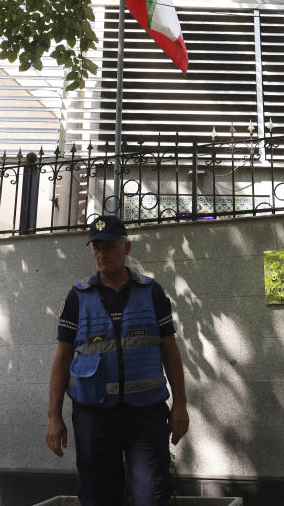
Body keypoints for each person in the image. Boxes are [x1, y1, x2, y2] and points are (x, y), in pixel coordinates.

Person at [45, 214, 189, 506]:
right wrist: (53, 416)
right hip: (93, 417)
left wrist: (181, 405)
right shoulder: (78, 296)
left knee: (151, 496)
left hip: (146, 416)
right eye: (96, 246)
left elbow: (170, 351)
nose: (101, 253)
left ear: (126, 247)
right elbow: (62, 358)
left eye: (109, 246)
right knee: (98, 497)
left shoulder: (152, 292)